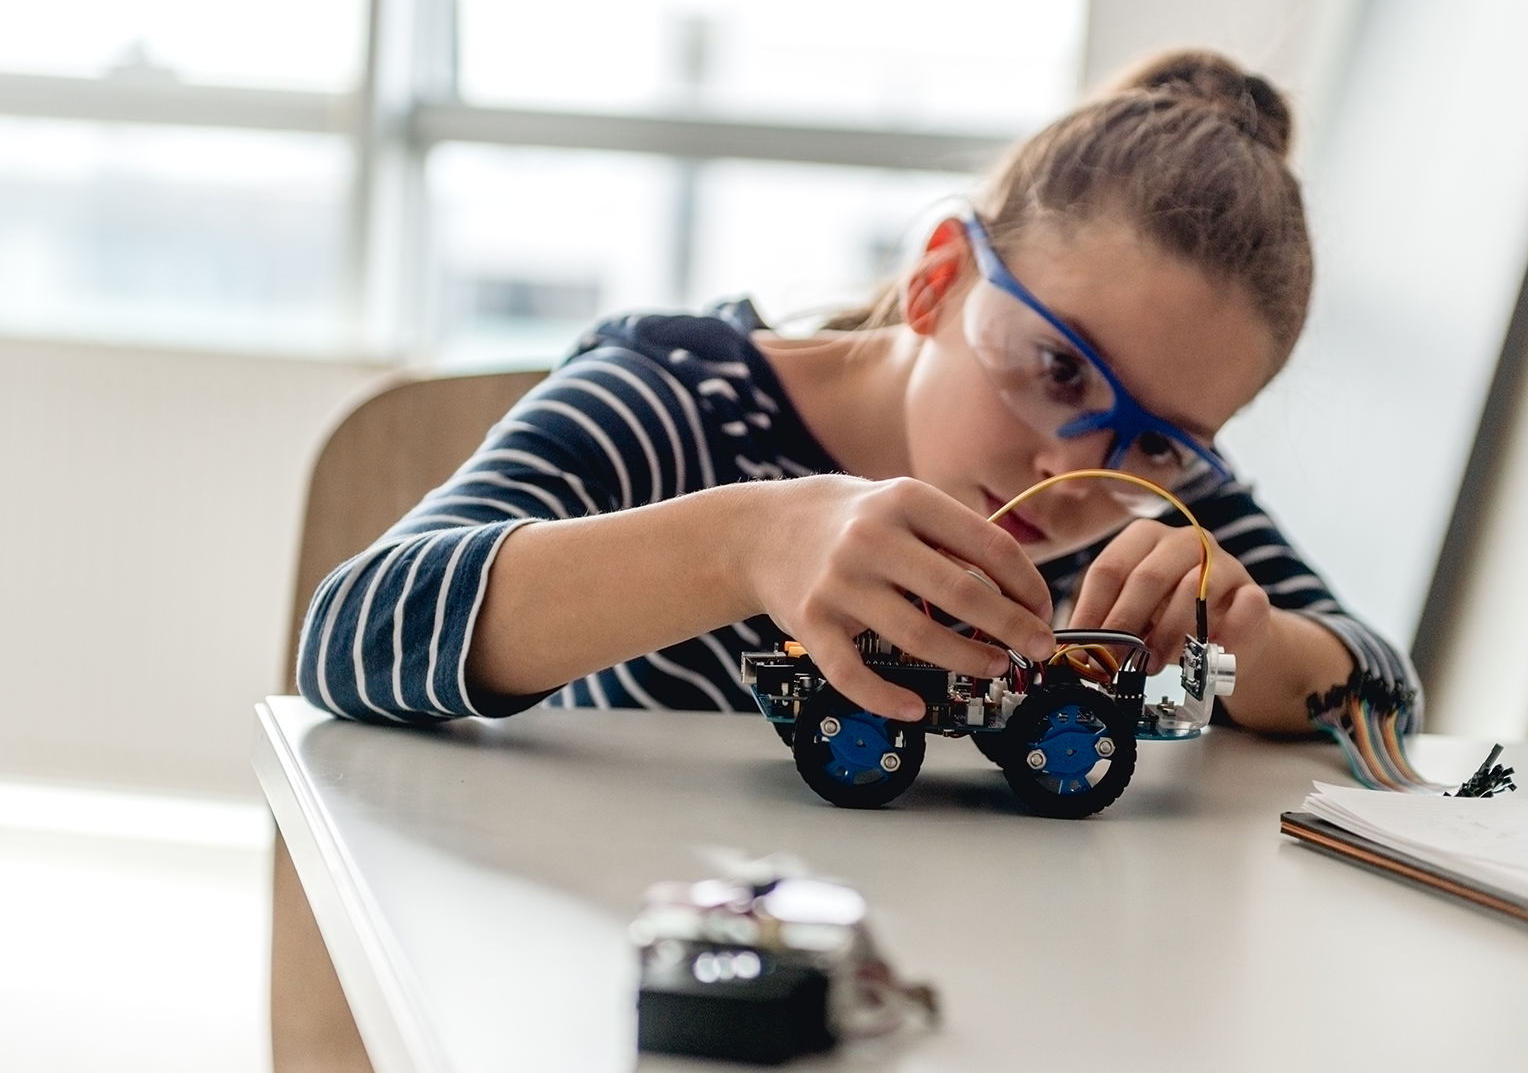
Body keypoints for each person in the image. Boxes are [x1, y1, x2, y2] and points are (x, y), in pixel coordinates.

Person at [298, 49, 1418, 737]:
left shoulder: (1143, 503)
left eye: (1162, 440)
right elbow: (353, 635)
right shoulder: (681, 404)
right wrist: (745, 544)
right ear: (939, 277)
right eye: (1059, 369)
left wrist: (1255, 650)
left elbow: (1386, 696)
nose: (1070, 468)